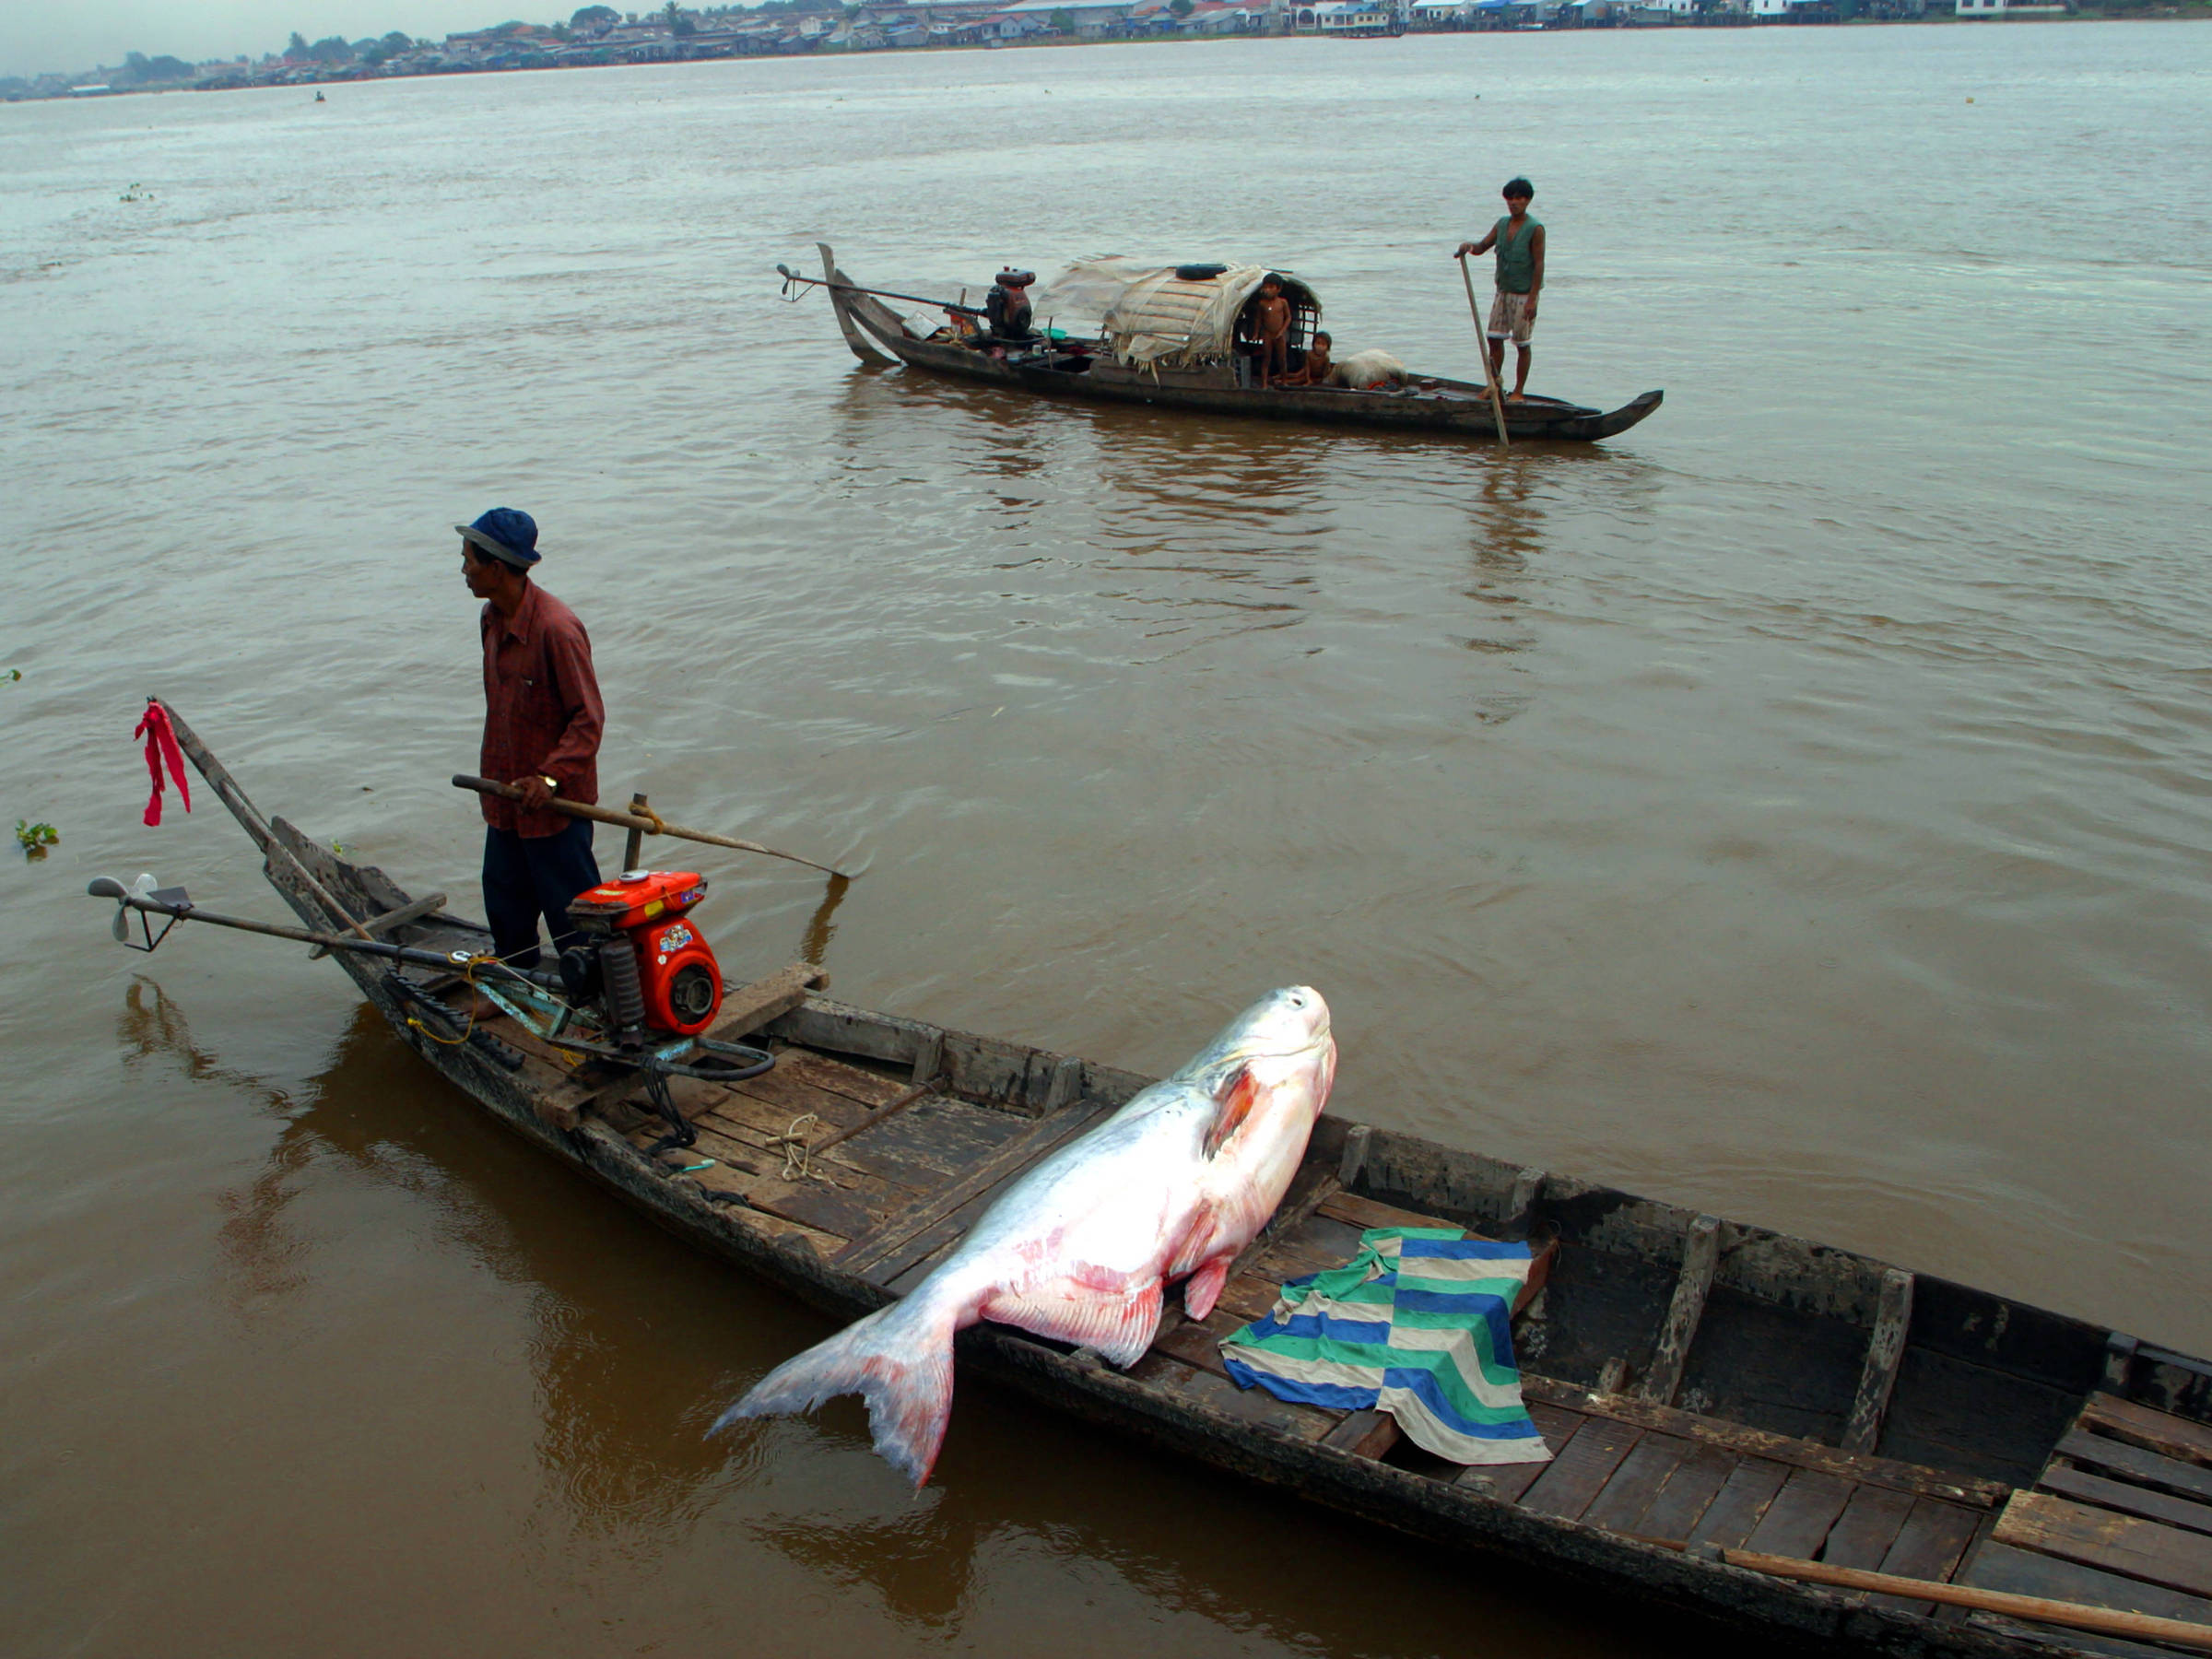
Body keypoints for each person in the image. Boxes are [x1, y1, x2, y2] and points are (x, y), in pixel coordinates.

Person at [457, 507, 606, 994]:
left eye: (469, 561)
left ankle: (594, 1003)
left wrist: (548, 779)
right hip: (504, 797)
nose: (463, 570)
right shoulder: (491, 619)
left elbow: (588, 720)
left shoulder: (556, 629)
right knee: (506, 904)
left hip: (553, 809)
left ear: (496, 568)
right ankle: (514, 989)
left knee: (576, 920)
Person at [1454, 177, 1545, 402]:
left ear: (1527, 200)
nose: (1514, 203)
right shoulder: (1502, 224)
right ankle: (1494, 385)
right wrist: (1469, 247)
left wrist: (1532, 299)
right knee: (1494, 338)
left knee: (1522, 344)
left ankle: (1518, 391)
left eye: (1519, 198)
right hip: (1503, 291)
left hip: (1524, 295)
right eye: (1510, 198)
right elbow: (1482, 246)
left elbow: (1539, 264)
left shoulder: (1535, 228)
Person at [1253, 275, 1292, 389]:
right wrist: (1256, 333)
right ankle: (1264, 383)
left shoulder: (1282, 302)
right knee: (1266, 358)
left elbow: (1288, 317)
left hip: (1279, 334)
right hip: (1267, 334)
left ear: (1278, 289)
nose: (1267, 290)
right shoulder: (1262, 303)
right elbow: (1259, 319)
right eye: (1265, 287)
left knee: (1282, 359)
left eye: (1271, 287)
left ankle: (1284, 381)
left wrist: (1282, 331)